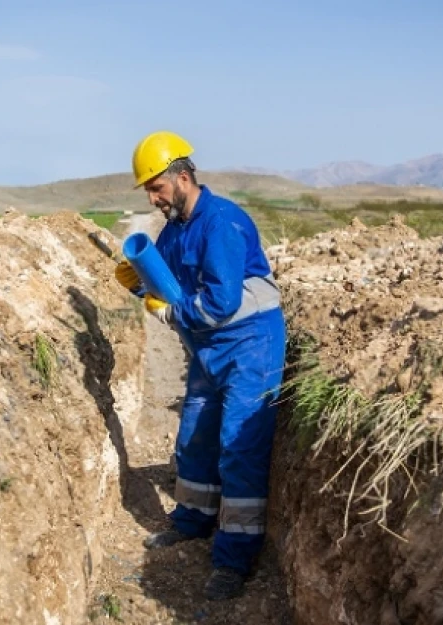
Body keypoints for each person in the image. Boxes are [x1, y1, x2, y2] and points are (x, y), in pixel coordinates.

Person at [114, 131, 287, 601]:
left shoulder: (222, 223)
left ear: (183, 178)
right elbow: (165, 283)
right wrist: (137, 283)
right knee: (193, 436)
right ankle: (192, 520)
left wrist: (170, 313)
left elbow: (221, 302)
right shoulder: (174, 230)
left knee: (238, 447)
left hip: (251, 348)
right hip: (211, 350)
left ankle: (234, 558)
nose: (153, 199)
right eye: (148, 190)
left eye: (157, 188)